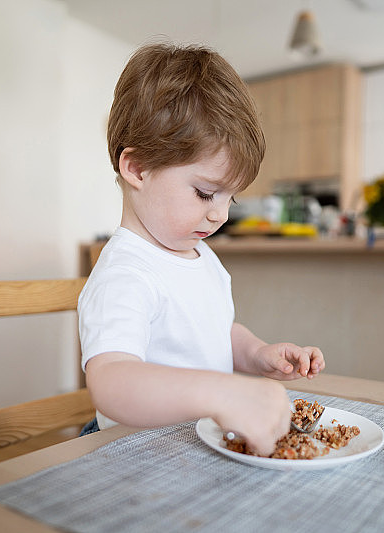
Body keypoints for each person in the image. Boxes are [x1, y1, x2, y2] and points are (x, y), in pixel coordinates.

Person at [77, 43, 325, 457]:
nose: (220, 216)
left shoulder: (199, 254)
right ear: (137, 168)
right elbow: (111, 382)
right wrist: (223, 393)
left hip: (194, 447)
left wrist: (256, 353)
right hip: (133, 454)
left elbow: (213, 331)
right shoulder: (126, 272)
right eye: (206, 193)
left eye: (232, 199)